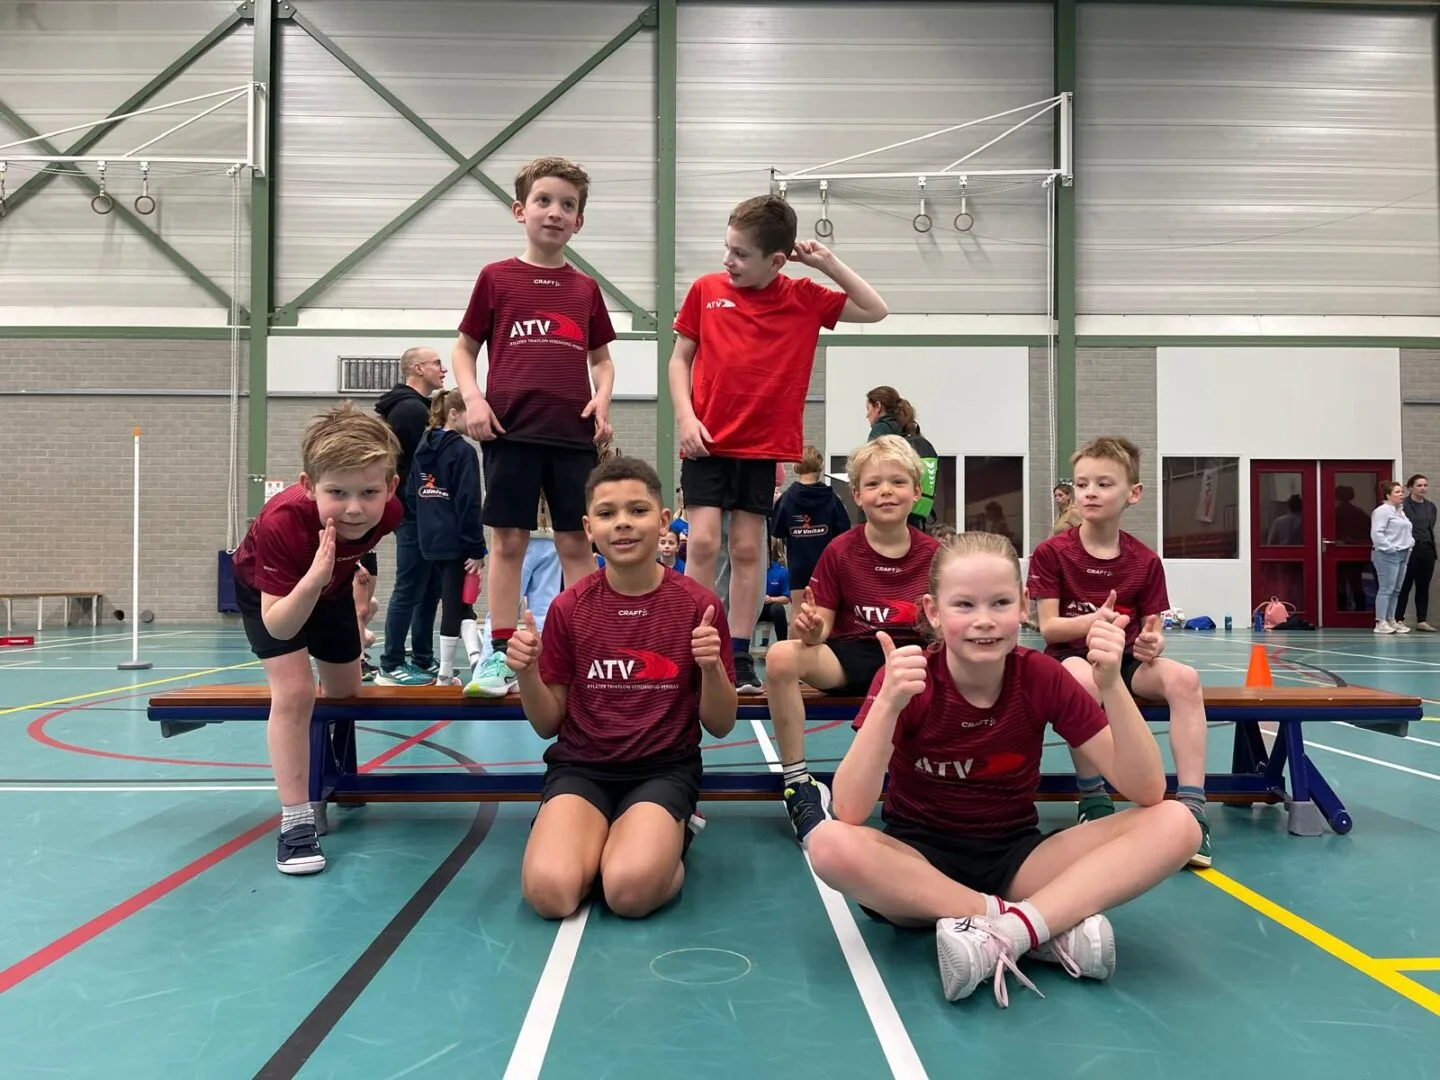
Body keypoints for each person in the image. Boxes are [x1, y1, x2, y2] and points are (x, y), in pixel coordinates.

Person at [805, 531, 1201, 1005]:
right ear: (933, 611)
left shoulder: (1040, 675)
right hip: (918, 868)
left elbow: (1147, 790)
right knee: (828, 843)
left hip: (1017, 860)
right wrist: (889, 703)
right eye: (964, 605)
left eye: (1000, 603)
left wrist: (1113, 684)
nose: (984, 620)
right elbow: (849, 809)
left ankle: (1009, 931)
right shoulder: (909, 678)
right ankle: (1036, 925)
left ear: (1024, 605)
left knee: (1178, 821)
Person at [670, 193, 888, 694]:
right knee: (701, 542)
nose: (728, 260)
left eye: (740, 254)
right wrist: (685, 416)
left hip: (760, 445)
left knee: (748, 548)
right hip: (707, 440)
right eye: (727, 248)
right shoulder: (707, 290)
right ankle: (698, 643)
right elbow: (680, 358)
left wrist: (827, 263)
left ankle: (738, 651)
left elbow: (875, 309)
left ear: (776, 261)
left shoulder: (803, 297)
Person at [508, 456, 737, 919]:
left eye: (638, 510)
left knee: (629, 893)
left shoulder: (699, 605)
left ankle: (669, 833)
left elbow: (721, 724)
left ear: (664, 520)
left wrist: (711, 668)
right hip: (582, 769)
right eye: (607, 514)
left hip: (663, 770)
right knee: (550, 895)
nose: (623, 523)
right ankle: (607, 839)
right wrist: (527, 673)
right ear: (589, 528)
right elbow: (548, 724)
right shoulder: (570, 607)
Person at [452, 156, 617, 698]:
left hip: (571, 433)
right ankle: (498, 656)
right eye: (543, 201)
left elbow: (602, 360)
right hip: (510, 430)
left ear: (579, 221)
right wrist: (474, 399)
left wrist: (602, 398)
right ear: (520, 210)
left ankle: (586, 648)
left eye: (567, 205)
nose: (555, 212)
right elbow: (464, 349)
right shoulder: (496, 278)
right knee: (509, 542)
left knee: (576, 541)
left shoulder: (585, 289)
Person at [228, 404, 405, 875]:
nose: (354, 508)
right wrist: (312, 580)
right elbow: (280, 626)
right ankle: (296, 821)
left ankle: (330, 767)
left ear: (391, 488)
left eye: (369, 492)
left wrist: (339, 587)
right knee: (295, 692)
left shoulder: (390, 513)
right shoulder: (282, 522)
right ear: (308, 485)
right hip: (273, 596)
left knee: (346, 692)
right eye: (337, 493)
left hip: (331, 588)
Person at [1027, 436, 1212, 869]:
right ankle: (1093, 798)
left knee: (1184, 679)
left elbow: (1152, 628)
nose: (1089, 493)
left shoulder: (1145, 561)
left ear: (1133, 493)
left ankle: (1193, 809)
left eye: (1104, 484)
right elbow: (1050, 626)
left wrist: (1152, 643)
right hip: (1070, 657)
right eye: (1082, 484)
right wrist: (1096, 622)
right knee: (1083, 679)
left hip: (1126, 661)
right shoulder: (1053, 553)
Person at [763, 436, 939, 843]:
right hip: (852, 656)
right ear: (857, 495)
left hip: (915, 660)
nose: (886, 492)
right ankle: (798, 783)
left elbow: (947, 627)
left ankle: (934, 782)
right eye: (874, 484)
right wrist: (811, 629)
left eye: (897, 482)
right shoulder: (840, 550)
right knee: (781, 656)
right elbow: (821, 626)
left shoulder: (936, 555)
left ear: (916, 492)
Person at [373, 346, 447, 685]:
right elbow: (425, 465)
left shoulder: (422, 408)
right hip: (415, 512)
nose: (443, 369)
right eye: (436, 363)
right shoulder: (410, 410)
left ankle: (422, 657)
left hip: (428, 513)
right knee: (410, 587)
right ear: (417, 368)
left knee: (429, 588)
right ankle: (390, 663)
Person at [411, 389, 489, 689]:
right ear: (454, 414)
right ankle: (444, 675)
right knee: (454, 606)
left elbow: (412, 493)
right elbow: (469, 501)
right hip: (455, 539)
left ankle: (475, 659)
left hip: (428, 538)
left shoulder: (422, 447)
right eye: (471, 413)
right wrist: (476, 547)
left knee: (462, 602)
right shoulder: (463, 452)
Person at [770, 445, 852, 608]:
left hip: (798, 566)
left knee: (798, 611)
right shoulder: (831, 499)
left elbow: (777, 530)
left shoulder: (787, 499)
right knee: (826, 611)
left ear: (795, 466)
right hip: (826, 566)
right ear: (821, 467)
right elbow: (844, 531)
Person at [865, 386, 939, 532]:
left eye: (868, 409)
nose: (867, 415)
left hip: (893, 514)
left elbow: (872, 468)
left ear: (878, 406)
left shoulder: (882, 429)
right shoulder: (906, 428)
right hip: (917, 513)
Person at [1370, 480, 1414, 634]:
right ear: (1388, 495)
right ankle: (1380, 622)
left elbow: (1406, 531)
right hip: (1387, 554)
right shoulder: (1382, 511)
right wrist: (1390, 548)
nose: (1401, 494)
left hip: (1403, 553)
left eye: (1402, 492)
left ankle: (1391, 619)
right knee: (1386, 589)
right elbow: (1377, 533)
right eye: (1397, 492)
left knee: (1396, 590)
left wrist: (1410, 544)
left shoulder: (1400, 511)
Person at [1396, 474, 1435, 631]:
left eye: (1425, 485)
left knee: (1423, 586)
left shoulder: (1430, 506)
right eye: (1419, 485)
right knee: (1404, 585)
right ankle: (1398, 618)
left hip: (1427, 549)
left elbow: (1430, 526)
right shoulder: (1403, 505)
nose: (1422, 488)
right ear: (1410, 487)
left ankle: (1422, 620)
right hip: (1410, 549)